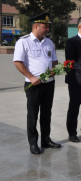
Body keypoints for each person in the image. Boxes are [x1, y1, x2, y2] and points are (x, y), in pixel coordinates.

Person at [13, 12, 61, 155]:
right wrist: (31, 77)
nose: (47, 29)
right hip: (33, 85)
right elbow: (18, 62)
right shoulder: (24, 41)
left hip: (49, 83)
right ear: (35, 26)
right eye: (45, 27)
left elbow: (54, 60)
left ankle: (46, 139)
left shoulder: (49, 42)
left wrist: (54, 69)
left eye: (47, 27)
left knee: (47, 113)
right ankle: (33, 143)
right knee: (33, 114)